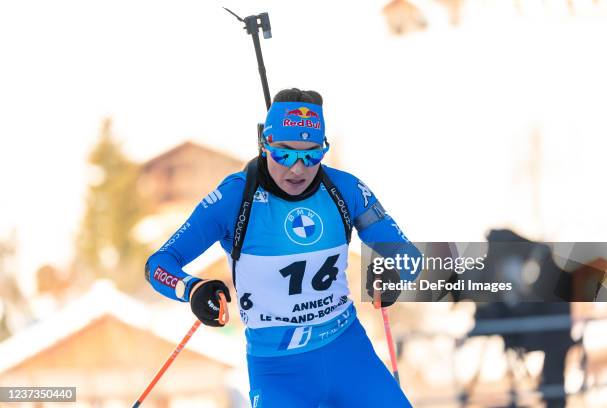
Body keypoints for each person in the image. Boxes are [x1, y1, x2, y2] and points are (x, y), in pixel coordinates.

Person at [146, 88, 419, 407]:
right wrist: (192, 289)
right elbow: (159, 265)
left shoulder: (346, 189)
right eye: (285, 154)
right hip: (278, 369)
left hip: (348, 352)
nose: (297, 168)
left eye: (311, 154)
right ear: (265, 144)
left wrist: (394, 273)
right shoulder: (235, 199)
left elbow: (407, 254)